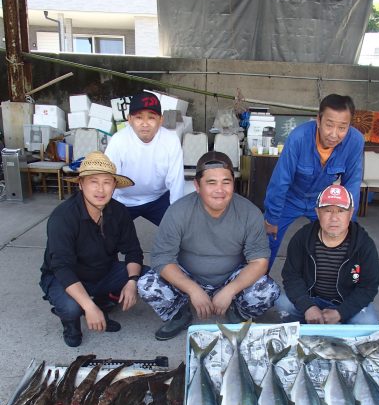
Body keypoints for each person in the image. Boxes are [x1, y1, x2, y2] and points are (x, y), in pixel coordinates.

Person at [138, 151, 280, 340]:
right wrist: (192, 289)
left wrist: (230, 290)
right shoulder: (178, 211)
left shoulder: (249, 212)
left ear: (233, 184)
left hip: (231, 277)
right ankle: (179, 314)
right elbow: (162, 258)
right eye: (211, 183)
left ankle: (238, 312)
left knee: (269, 291)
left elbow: (259, 262)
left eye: (226, 182)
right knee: (147, 285)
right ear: (197, 185)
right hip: (188, 275)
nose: (219, 190)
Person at [40, 152, 144, 347]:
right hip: (66, 277)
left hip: (102, 271)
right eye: (93, 181)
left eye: (107, 182)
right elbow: (61, 267)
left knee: (146, 275)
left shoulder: (119, 211)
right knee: (72, 308)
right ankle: (71, 323)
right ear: (80, 184)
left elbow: (133, 250)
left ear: (114, 185)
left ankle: (102, 303)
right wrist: (88, 306)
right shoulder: (63, 217)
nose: (100, 189)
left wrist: (132, 281)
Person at [264, 94, 364, 267]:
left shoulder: (355, 141)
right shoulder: (299, 138)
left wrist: (347, 221)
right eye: (329, 125)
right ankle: (257, 285)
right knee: (267, 241)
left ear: (350, 125)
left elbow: (352, 184)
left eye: (342, 127)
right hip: (290, 198)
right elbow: (281, 180)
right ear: (318, 120)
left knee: (335, 244)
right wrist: (272, 217)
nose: (334, 134)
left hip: (322, 200)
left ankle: (326, 285)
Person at [275, 184, 379, 325]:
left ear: (350, 213)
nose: (334, 218)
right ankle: (309, 323)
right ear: (318, 213)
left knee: (368, 322)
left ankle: (334, 323)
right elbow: (291, 276)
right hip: (311, 298)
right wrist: (308, 307)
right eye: (328, 211)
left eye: (341, 211)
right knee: (283, 303)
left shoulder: (364, 244)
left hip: (346, 301)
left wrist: (341, 312)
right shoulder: (302, 238)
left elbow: (369, 287)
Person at [105, 91, 185, 226]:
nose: (145, 123)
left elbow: (176, 181)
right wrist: (106, 211)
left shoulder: (171, 140)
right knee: (106, 237)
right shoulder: (118, 140)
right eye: (138, 117)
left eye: (151, 117)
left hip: (158, 198)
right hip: (124, 200)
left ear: (161, 120)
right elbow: (108, 177)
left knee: (180, 232)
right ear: (129, 119)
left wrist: (177, 215)